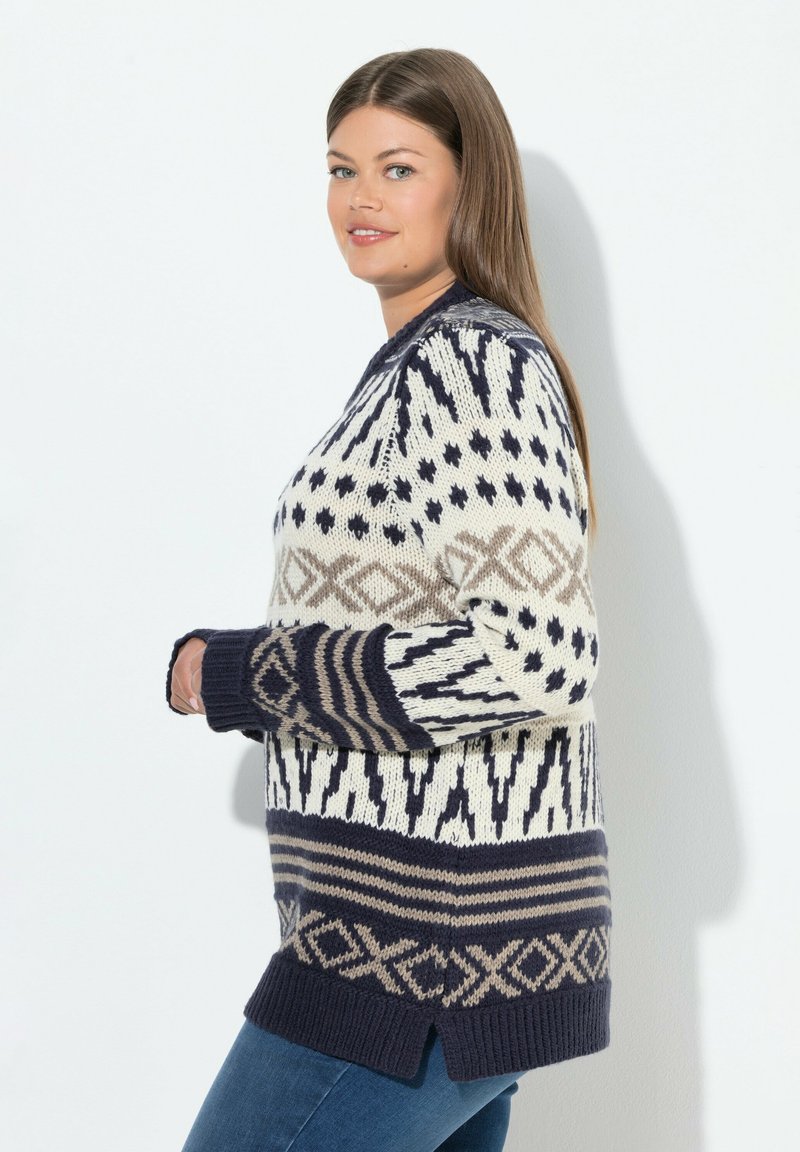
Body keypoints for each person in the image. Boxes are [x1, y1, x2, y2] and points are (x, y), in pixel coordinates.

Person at [167, 46, 611, 1152]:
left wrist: (240, 673)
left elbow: (537, 657)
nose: (360, 198)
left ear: (470, 184)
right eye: (341, 168)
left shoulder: (470, 367)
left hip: (417, 958)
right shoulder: (421, 367)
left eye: (398, 168)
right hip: (427, 948)